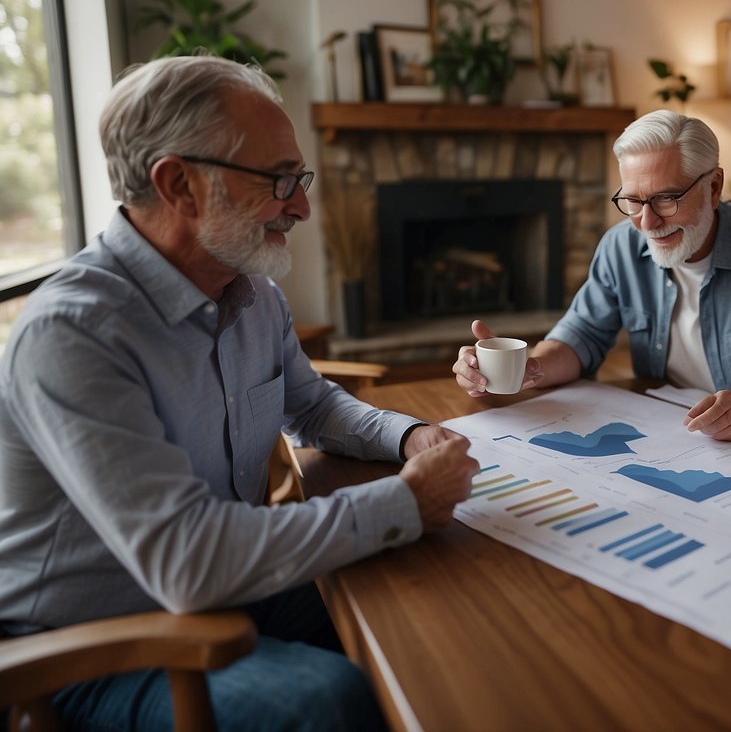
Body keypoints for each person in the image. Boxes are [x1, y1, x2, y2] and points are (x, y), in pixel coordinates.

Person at [0, 55, 479, 731]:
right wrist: (405, 499)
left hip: (223, 587)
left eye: (300, 177)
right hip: (88, 650)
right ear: (180, 185)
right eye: (281, 179)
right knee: (323, 701)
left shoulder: (253, 295)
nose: (304, 206)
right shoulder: (76, 335)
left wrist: (405, 436)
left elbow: (312, 406)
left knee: (431, 598)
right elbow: (188, 562)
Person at [452, 109, 731, 441]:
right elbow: (581, 336)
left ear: (714, 186)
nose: (647, 222)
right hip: (664, 434)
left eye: (667, 199)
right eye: (633, 201)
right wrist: (527, 370)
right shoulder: (620, 246)